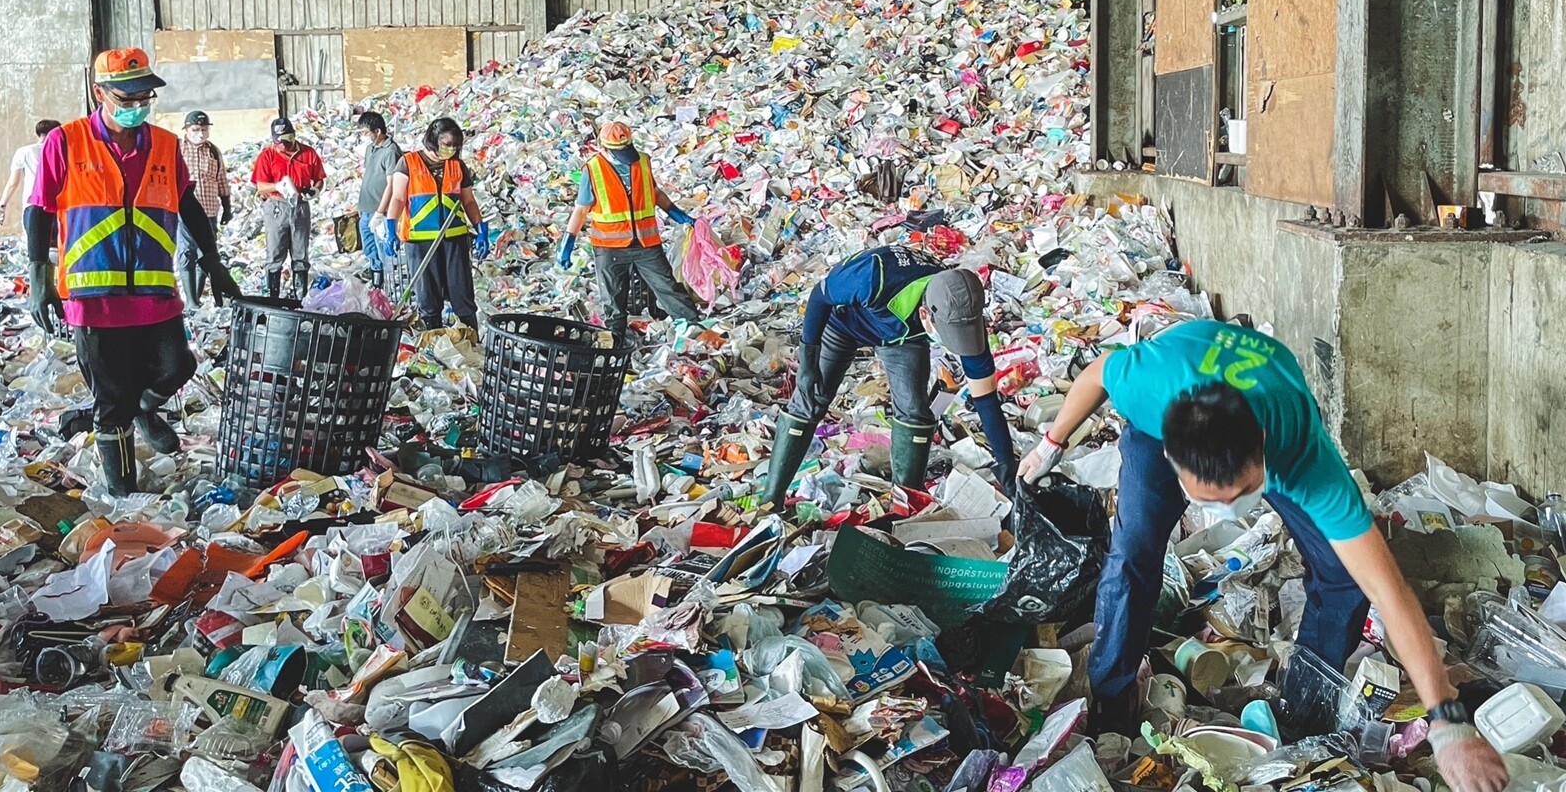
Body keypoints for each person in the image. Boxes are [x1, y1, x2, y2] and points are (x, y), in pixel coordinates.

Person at [1018, 319, 1508, 792]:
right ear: (1173, 458)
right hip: (1176, 387)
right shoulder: (1145, 388)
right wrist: (1050, 443)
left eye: (1245, 493)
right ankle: (1111, 694)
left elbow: (1389, 588)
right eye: (1211, 500)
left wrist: (1448, 721)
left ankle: (1303, 717)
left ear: (1264, 456)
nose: (1230, 509)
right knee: (1131, 559)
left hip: (1267, 408)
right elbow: (1098, 372)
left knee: (1344, 578)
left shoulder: (1302, 455)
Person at [24, 49, 240, 494]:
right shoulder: (65, 142)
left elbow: (188, 206)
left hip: (154, 294)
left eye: (145, 94)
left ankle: (146, 408)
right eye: (127, 95)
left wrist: (215, 263)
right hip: (94, 300)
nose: (138, 103)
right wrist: (38, 281)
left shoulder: (164, 144)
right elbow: (38, 212)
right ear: (99, 92)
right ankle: (128, 499)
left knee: (176, 367)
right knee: (111, 407)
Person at [762, 246, 1019, 506]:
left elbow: (985, 397)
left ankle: (905, 506)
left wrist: (1006, 463)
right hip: (842, 324)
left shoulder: (960, 310)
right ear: (924, 315)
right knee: (810, 398)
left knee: (914, 411)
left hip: (900, 338)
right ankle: (771, 499)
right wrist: (808, 361)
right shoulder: (873, 276)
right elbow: (820, 295)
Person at [558, 121, 700, 343]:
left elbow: (655, 193)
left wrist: (676, 213)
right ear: (603, 148)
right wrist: (568, 243)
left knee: (668, 288)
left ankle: (695, 330)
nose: (624, 156)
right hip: (609, 247)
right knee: (613, 301)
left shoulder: (642, 161)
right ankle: (614, 345)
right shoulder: (593, 169)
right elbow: (581, 209)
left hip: (646, 243)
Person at [380, 117, 490, 330]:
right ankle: (434, 339)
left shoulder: (457, 166)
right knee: (428, 296)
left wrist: (481, 229)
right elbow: (398, 198)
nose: (451, 149)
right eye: (446, 144)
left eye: (455, 145)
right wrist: (391, 227)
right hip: (419, 241)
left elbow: (468, 200)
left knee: (462, 293)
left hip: (454, 239)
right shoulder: (408, 163)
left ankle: (470, 339)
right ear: (432, 140)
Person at [251, 117, 326, 299]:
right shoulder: (267, 156)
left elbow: (319, 179)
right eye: (278, 142)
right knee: (275, 253)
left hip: (300, 206)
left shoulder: (308, 154)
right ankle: (273, 296)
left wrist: (315, 190)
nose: (281, 146)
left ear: (293, 136)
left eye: (285, 141)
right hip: (277, 206)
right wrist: (277, 186)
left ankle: (300, 296)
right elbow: (261, 186)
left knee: (300, 253)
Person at [178, 110, 232, 310]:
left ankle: (198, 298)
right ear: (186, 130)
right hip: (185, 212)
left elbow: (221, 180)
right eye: (196, 129)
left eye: (204, 129)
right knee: (186, 253)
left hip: (209, 211)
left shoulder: (213, 151)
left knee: (207, 255)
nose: (200, 133)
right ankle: (191, 301)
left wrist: (227, 207)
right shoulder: (178, 149)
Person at [356, 111, 402, 290]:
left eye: (366, 133)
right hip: (365, 209)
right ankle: (377, 285)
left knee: (384, 250)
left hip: (380, 211)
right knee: (370, 250)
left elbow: (392, 184)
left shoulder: (391, 151)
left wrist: (381, 212)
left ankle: (390, 289)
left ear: (378, 131)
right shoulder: (370, 149)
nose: (364, 137)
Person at [0, 119, 60, 227]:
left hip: (32, 205)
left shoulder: (23, 152)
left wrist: (2, 205)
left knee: (33, 242)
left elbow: (13, 183)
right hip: (57, 206)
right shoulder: (61, 151)